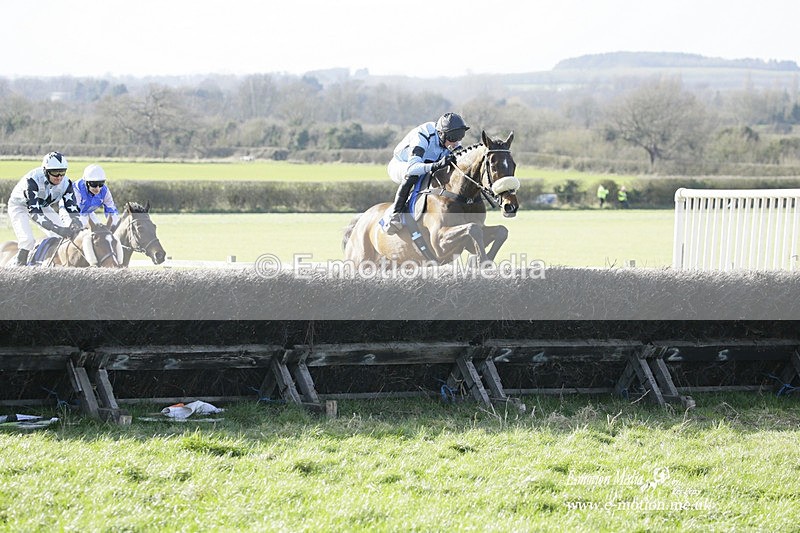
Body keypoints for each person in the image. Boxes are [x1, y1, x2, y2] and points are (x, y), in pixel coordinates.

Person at [383, 112, 470, 234]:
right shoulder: (423, 135)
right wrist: (436, 165)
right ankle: (395, 215)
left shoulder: (451, 136)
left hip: (426, 165)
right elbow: (412, 168)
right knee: (412, 176)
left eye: (460, 137)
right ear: (441, 134)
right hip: (402, 165)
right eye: (453, 138)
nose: (456, 142)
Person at [6, 151, 82, 266]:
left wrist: (76, 221)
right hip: (19, 206)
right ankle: (18, 268)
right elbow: (35, 214)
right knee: (27, 240)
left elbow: (71, 207)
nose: (59, 177)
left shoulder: (66, 183)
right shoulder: (32, 181)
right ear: (45, 171)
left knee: (62, 234)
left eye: (62, 172)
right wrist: (57, 228)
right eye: (55, 173)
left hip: (42, 206)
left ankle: (48, 261)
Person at [67, 164, 120, 228]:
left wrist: (115, 225)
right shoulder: (76, 190)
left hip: (88, 212)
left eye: (101, 183)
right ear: (86, 182)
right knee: (79, 228)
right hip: (69, 212)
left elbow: (111, 210)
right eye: (93, 184)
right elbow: (76, 215)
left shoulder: (104, 190)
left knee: (100, 231)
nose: (97, 188)